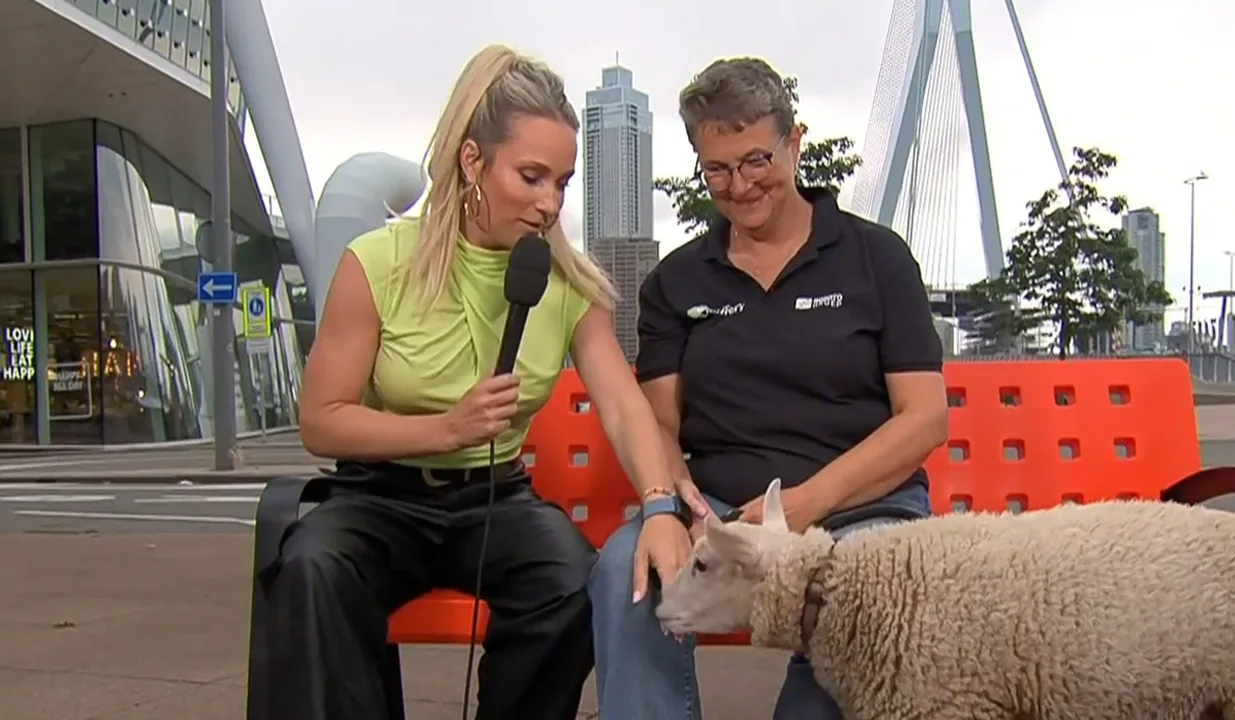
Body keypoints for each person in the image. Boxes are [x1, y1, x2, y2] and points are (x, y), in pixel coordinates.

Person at [261, 45, 682, 720]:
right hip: (380, 500)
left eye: (562, 183)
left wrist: (659, 505)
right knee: (312, 570)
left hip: (495, 501)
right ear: (472, 162)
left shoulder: (569, 285)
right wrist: (444, 429)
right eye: (532, 176)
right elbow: (322, 419)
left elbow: (626, 409)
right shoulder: (377, 263)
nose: (549, 203)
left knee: (573, 584)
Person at [588, 57, 951, 719]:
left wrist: (806, 505)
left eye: (756, 160)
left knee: (862, 586)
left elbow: (924, 419)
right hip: (720, 509)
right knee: (626, 572)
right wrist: (673, 513)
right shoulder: (676, 283)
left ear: (794, 142)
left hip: (861, 508)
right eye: (716, 169)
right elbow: (660, 426)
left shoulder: (877, 258)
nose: (739, 186)